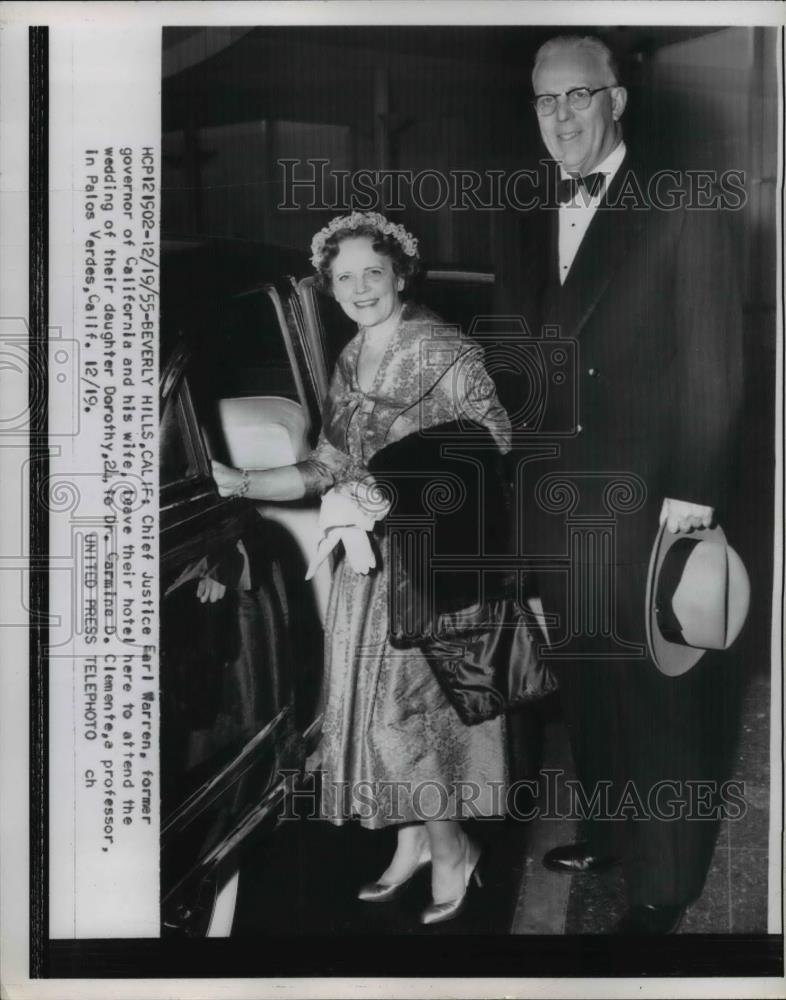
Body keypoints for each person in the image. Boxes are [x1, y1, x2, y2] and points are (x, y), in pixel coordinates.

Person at [494, 35, 744, 934]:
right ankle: (605, 832)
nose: (560, 118)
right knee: (589, 683)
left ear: (617, 102)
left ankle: (665, 885)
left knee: (661, 693)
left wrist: (692, 507)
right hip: (557, 502)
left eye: (578, 97)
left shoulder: (680, 202)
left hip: (650, 502)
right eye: (544, 101)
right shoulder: (528, 212)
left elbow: (717, 368)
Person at [212, 211, 512, 924]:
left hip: (428, 561)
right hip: (366, 568)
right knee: (378, 717)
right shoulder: (349, 357)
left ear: (400, 273)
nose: (358, 287)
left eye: (371, 273)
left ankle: (453, 849)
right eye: (342, 278)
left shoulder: (444, 349)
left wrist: (393, 486)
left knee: (413, 719)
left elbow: (495, 440)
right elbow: (329, 465)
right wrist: (240, 482)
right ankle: (410, 842)